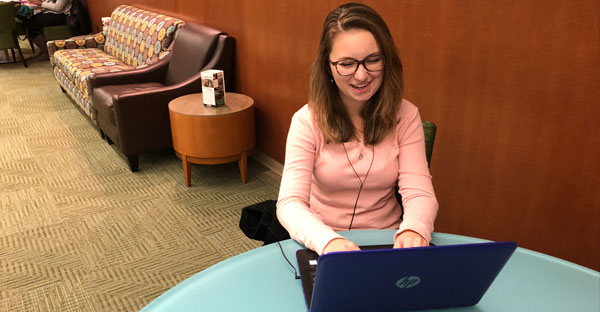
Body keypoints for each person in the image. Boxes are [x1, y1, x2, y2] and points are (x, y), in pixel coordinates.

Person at [276, 3, 438, 255]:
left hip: (388, 238)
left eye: (372, 60)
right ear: (328, 66)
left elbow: (419, 193)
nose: (361, 76)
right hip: (323, 241)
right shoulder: (306, 121)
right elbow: (289, 203)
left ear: (387, 60)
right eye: (347, 64)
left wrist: (413, 230)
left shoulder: (406, 115)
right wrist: (327, 241)